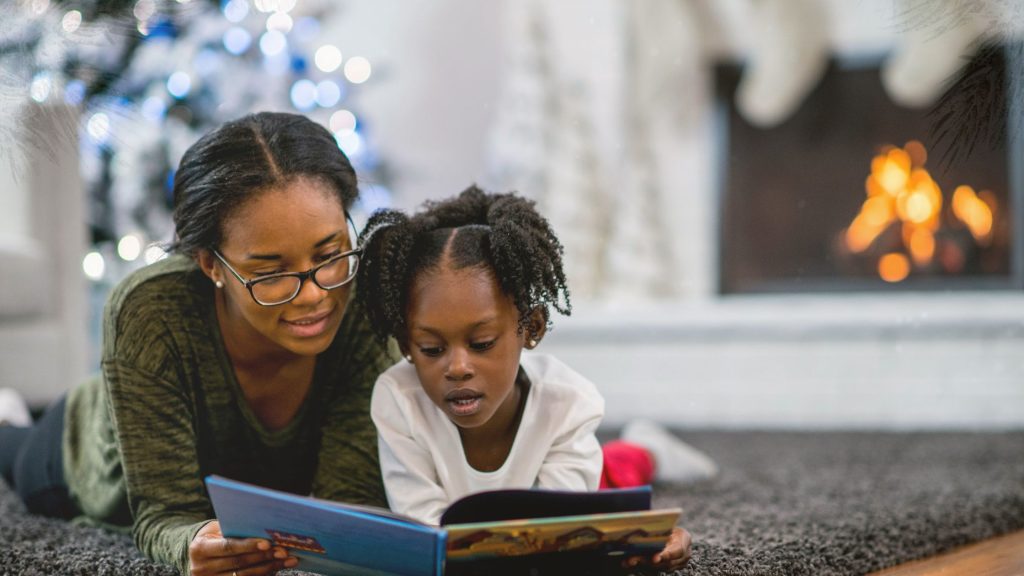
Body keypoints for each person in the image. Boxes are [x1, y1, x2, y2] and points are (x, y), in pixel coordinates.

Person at [0, 112, 398, 576]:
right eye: (270, 272)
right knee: (12, 452)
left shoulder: (365, 301)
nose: (314, 294)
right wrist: (191, 542)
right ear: (210, 264)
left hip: (253, 479)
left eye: (329, 255)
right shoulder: (152, 310)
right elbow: (162, 514)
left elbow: (344, 506)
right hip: (78, 449)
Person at [358, 186, 705, 572]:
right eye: (431, 349)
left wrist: (649, 537)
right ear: (407, 345)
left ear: (532, 328)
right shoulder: (397, 398)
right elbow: (423, 531)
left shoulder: (568, 402)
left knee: (619, 467)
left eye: (482, 343)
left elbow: (561, 537)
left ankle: (649, 446)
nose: (457, 367)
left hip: (575, 480)